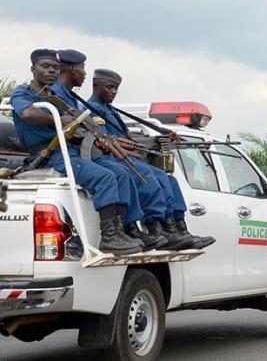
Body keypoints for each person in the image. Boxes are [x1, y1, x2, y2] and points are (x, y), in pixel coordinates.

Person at [10, 49, 142, 254]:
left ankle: (121, 231)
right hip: (48, 154)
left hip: (70, 149)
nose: (51, 71)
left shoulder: (55, 97)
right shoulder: (23, 93)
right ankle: (109, 237)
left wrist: (96, 138)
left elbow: (74, 127)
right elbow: (27, 113)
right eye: (46, 66)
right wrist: (55, 120)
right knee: (104, 177)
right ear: (33, 69)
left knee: (122, 174)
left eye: (55, 67)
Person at [51, 50, 168, 251]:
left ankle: (129, 230)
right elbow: (69, 129)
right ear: (70, 68)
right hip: (65, 153)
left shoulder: (71, 98)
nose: (84, 73)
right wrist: (98, 139)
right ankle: (115, 234)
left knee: (124, 174)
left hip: (80, 151)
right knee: (116, 175)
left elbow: (107, 135)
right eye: (82, 68)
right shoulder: (56, 95)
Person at [88, 68, 215, 250]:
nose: (113, 92)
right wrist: (130, 145)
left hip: (126, 156)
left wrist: (158, 139)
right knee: (147, 175)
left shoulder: (109, 110)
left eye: (116, 88)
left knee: (168, 179)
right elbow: (106, 139)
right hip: (112, 158)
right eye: (109, 87)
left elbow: (127, 137)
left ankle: (176, 228)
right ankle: (155, 229)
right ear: (95, 86)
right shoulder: (92, 110)